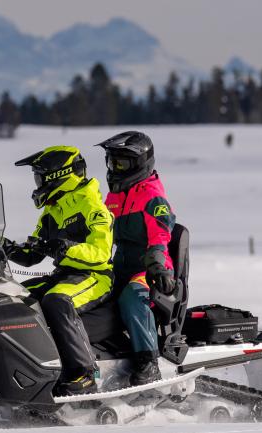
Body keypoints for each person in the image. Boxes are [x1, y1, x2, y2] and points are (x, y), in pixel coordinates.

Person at [5, 145, 114, 396]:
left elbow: (101, 254)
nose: (38, 183)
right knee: (14, 296)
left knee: (57, 301)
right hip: (64, 275)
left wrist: (65, 249)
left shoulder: (92, 205)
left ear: (59, 176)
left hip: (95, 276)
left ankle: (85, 374)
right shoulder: (53, 210)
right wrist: (5, 248)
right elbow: (33, 253)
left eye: (40, 177)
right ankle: (34, 370)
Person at [96, 131, 176, 386]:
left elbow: (160, 236)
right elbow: (102, 234)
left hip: (149, 271)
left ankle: (148, 362)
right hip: (119, 267)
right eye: (111, 162)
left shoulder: (153, 197)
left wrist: (157, 266)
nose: (114, 168)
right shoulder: (115, 197)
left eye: (121, 163)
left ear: (140, 163)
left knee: (132, 297)